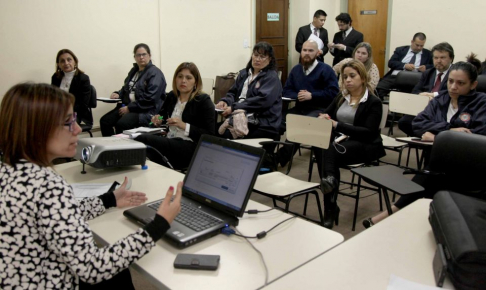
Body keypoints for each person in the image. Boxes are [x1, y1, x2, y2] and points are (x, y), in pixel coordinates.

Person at [0, 83, 182, 289]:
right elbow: (92, 267)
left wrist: (109, 199)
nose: (78, 129)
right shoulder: (47, 185)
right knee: (117, 273)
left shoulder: (10, 171)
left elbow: (55, 216)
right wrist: (159, 224)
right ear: (38, 130)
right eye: (68, 122)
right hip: (48, 280)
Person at [363, 61, 486, 228]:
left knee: (429, 176)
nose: (453, 87)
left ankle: (390, 213)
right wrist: (450, 131)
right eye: (450, 81)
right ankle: (395, 214)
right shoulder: (441, 99)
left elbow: (477, 134)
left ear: (473, 85)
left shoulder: (481, 102)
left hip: (470, 166)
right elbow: (418, 124)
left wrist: (438, 137)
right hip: (440, 160)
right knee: (431, 174)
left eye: (460, 83)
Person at [315, 60, 385, 229]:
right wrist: (323, 118)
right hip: (343, 143)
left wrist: (337, 125)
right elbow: (327, 114)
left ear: (362, 77)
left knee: (328, 152)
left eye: (352, 76)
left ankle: (330, 207)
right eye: (345, 76)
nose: (347, 80)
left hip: (366, 145)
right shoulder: (341, 97)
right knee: (320, 146)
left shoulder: (373, 102)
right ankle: (330, 195)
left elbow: (368, 132)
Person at [135, 62, 215, 170]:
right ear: (175, 79)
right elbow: (163, 116)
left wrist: (183, 125)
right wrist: (157, 120)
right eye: (180, 77)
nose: (183, 81)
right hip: (170, 140)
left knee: (142, 139)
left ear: (195, 81)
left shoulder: (203, 100)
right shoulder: (172, 96)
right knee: (145, 150)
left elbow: (210, 134)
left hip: (190, 146)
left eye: (188, 78)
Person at [276, 40, 339, 166]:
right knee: (274, 122)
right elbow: (286, 91)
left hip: (319, 110)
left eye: (311, 51)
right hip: (299, 108)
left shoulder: (325, 70)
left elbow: (334, 93)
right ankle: (267, 154)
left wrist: (312, 95)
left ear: (317, 53)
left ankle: (276, 159)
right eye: (304, 50)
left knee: (301, 126)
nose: (307, 53)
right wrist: (298, 96)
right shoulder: (296, 70)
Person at [215, 41, 282, 140]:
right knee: (211, 130)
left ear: (270, 59)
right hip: (241, 117)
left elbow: (262, 101)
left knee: (224, 135)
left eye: (262, 57)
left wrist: (233, 107)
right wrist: (225, 101)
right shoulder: (244, 73)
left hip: (262, 123)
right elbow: (232, 92)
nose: (257, 59)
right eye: (255, 55)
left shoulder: (271, 78)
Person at [100, 43, 166, 136]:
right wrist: (118, 93)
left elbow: (150, 99)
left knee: (122, 124)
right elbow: (126, 88)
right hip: (129, 107)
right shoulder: (134, 71)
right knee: (105, 121)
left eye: (144, 54)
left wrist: (129, 108)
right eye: (138, 55)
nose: (141, 57)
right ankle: (111, 147)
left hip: (145, 111)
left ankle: (123, 149)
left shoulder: (155, 73)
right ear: (134, 57)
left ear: (149, 56)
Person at [398, 42, 454, 136]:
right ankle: (425, 140)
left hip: (444, 109)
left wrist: (434, 95)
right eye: (436, 58)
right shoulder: (428, 73)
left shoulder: (455, 73)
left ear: (451, 58)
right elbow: (416, 91)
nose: (438, 61)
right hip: (425, 107)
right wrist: (422, 96)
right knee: (404, 122)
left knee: (436, 126)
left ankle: (435, 142)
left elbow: (454, 92)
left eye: (442, 57)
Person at [376, 33, 433, 98]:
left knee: (420, 93)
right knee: (379, 89)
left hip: (416, 79)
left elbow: (434, 67)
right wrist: (404, 65)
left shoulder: (428, 54)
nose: (419, 48)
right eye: (417, 45)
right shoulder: (400, 50)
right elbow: (391, 63)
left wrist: (426, 68)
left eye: (421, 46)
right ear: (412, 42)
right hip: (396, 76)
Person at [51, 49, 93, 127]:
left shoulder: (83, 78)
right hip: (58, 112)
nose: (66, 63)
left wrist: (66, 112)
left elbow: (83, 104)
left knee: (60, 123)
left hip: (76, 113)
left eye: (69, 60)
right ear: (58, 64)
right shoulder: (55, 77)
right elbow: (52, 97)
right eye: (62, 61)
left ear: (75, 62)